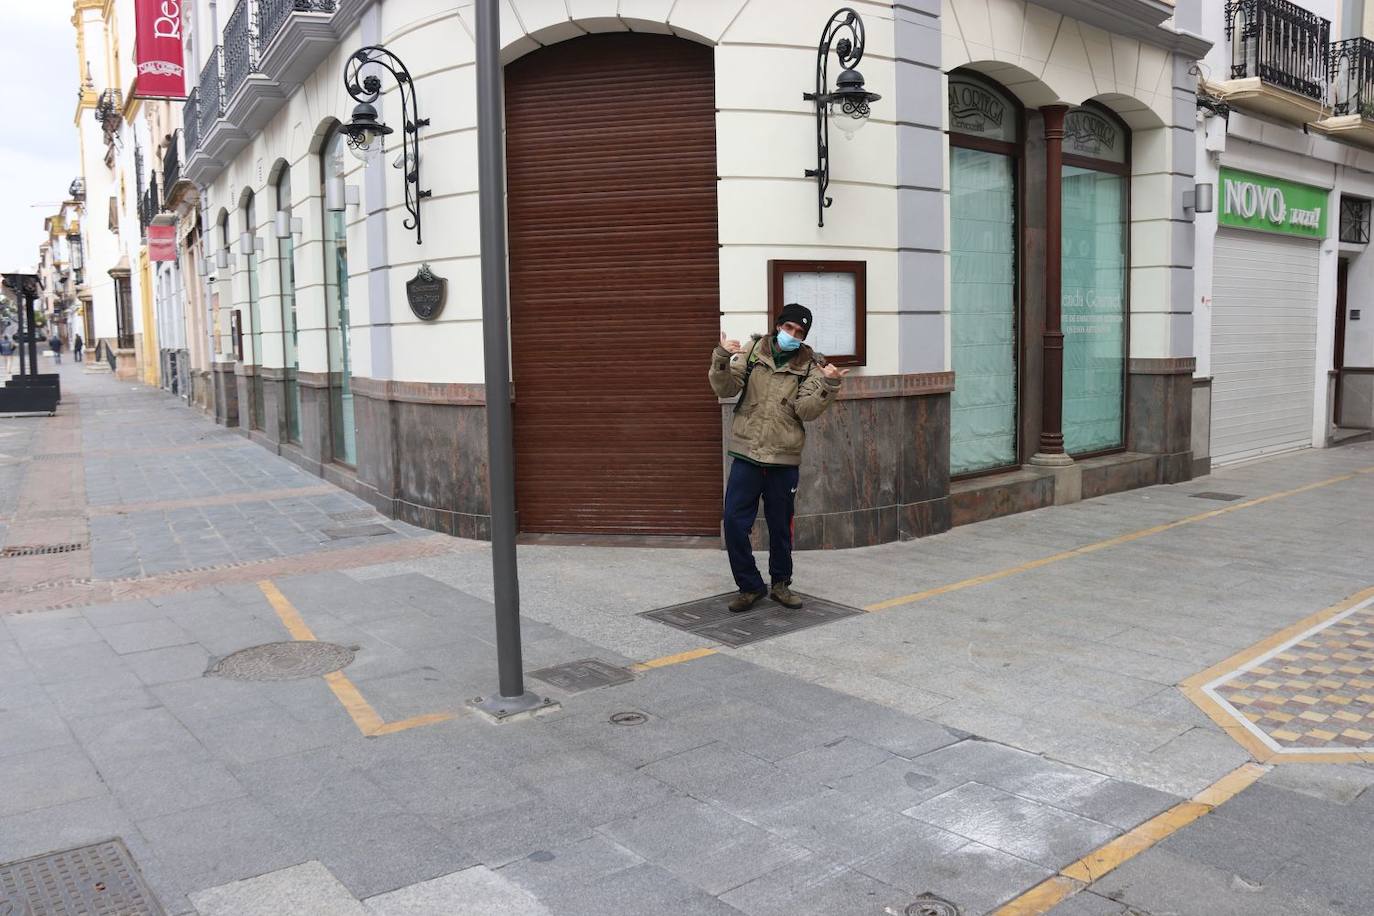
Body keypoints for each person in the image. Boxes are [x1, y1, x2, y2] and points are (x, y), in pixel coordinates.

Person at [709, 303, 849, 613]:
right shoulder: (754, 349)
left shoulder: (811, 366)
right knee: (733, 522)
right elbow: (726, 386)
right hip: (747, 453)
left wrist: (830, 385)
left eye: (799, 332)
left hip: (783, 460)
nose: (792, 335)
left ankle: (781, 584)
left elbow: (806, 411)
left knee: (780, 527)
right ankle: (750, 585)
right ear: (779, 325)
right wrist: (721, 356)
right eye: (789, 328)